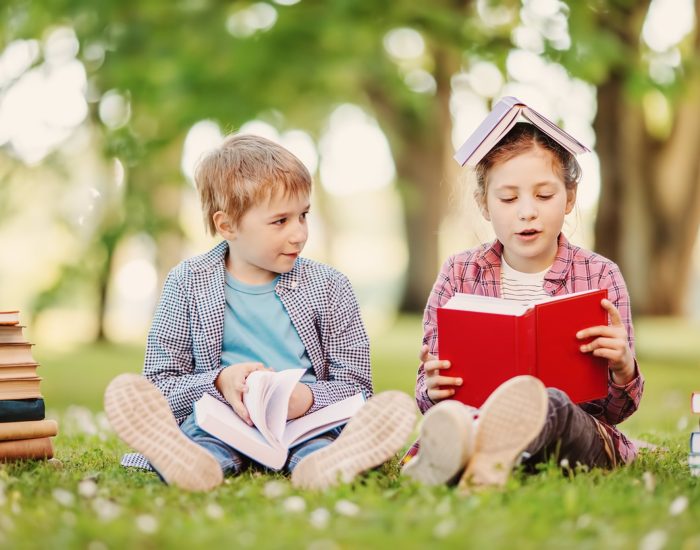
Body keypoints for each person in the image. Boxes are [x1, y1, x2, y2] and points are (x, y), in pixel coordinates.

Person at [104, 134, 416, 491]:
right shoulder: (186, 283)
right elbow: (161, 385)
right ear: (227, 226)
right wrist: (219, 382)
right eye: (280, 221)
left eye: (303, 215)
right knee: (203, 439)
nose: (299, 233)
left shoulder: (330, 286)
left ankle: (327, 465)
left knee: (319, 444)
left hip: (304, 423)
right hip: (221, 422)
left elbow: (357, 386)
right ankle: (191, 463)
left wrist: (308, 398)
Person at [401, 120, 644, 490]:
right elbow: (430, 390)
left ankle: (479, 461)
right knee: (454, 420)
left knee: (551, 405)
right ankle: (481, 457)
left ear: (570, 198)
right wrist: (433, 388)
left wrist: (623, 368)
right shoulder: (458, 272)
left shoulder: (601, 276)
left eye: (544, 196)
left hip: (570, 430)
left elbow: (616, 411)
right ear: (484, 203)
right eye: (509, 198)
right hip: (473, 421)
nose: (527, 211)